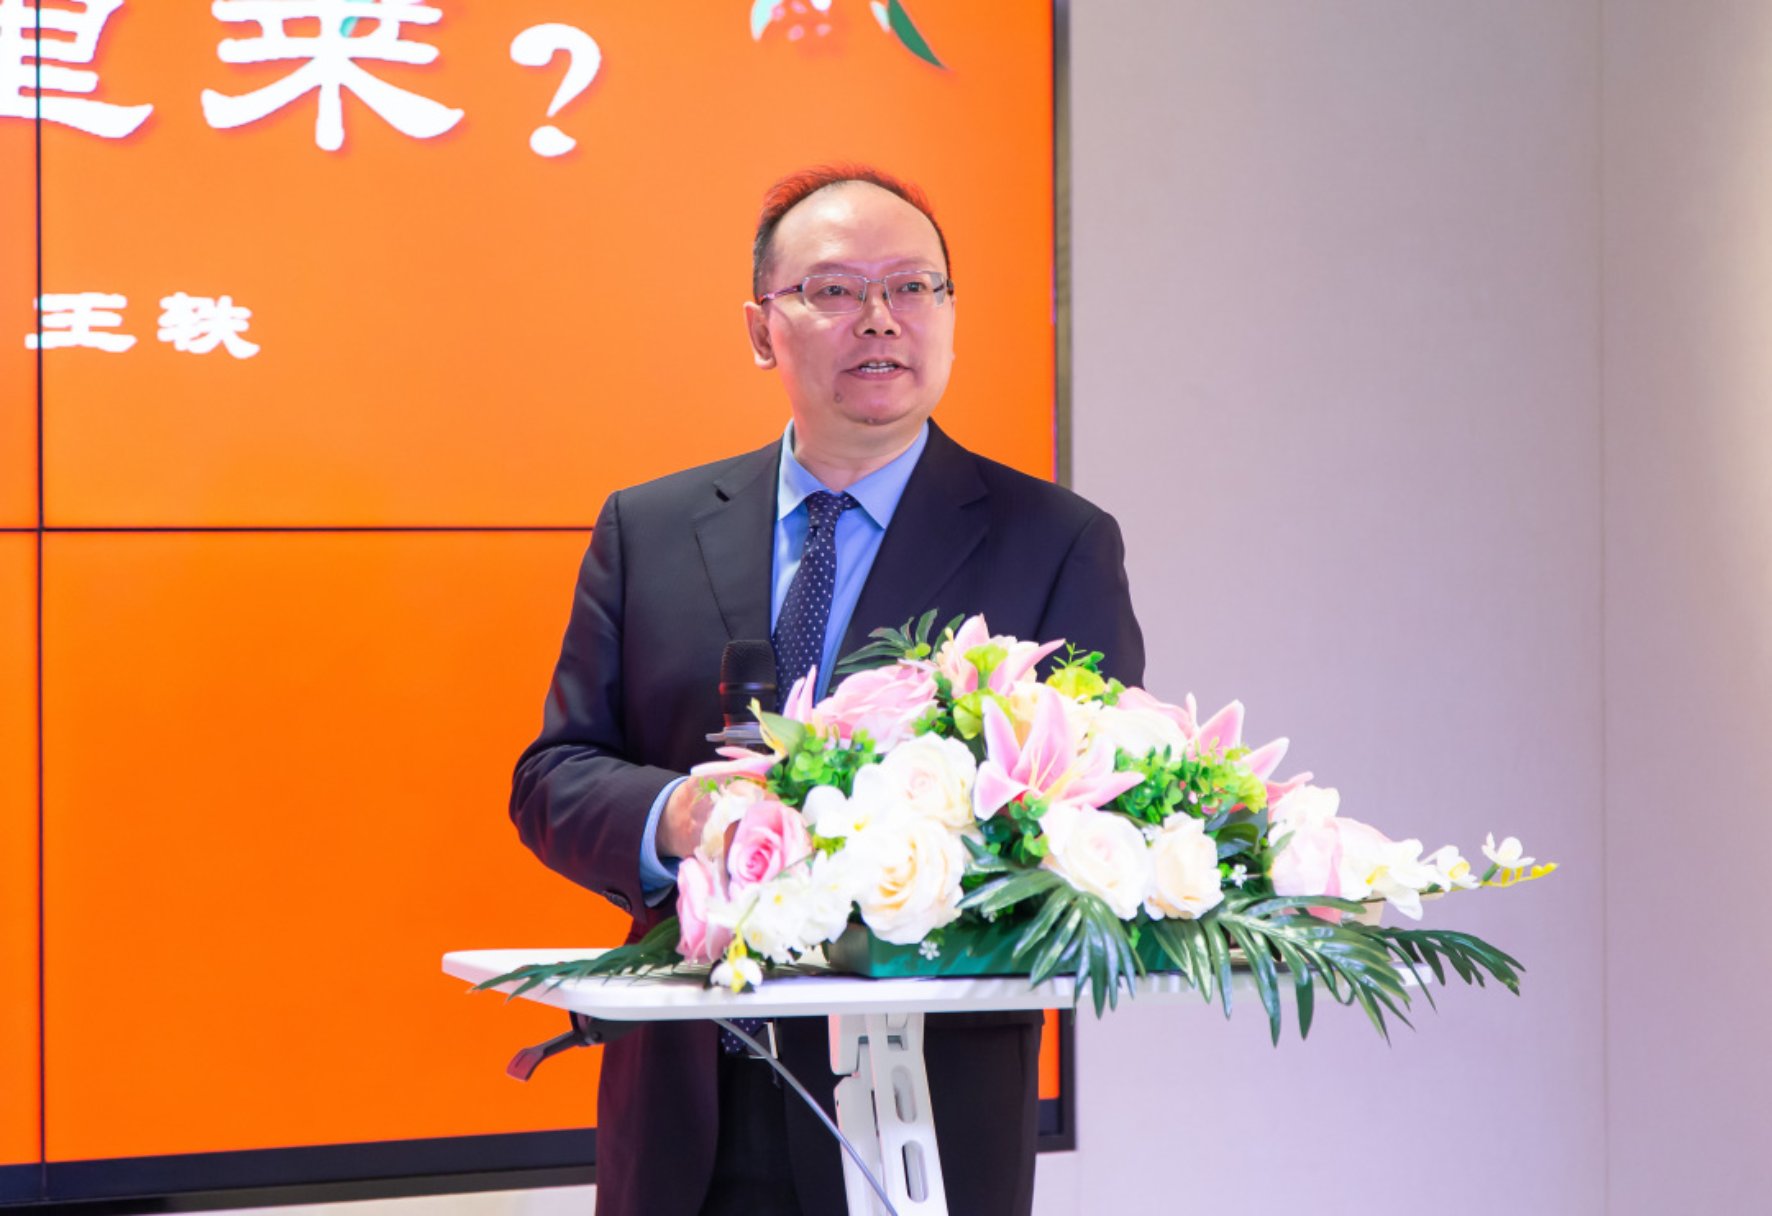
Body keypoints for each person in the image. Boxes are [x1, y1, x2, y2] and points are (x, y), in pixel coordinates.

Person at [510, 165, 1144, 1216]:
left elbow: (1090, 809)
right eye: (834, 290)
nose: (879, 318)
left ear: (950, 316)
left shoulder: (1053, 542)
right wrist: (682, 816)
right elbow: (555, 775)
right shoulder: (649, 529)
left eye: (913, 286)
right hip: (683, 1110)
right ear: (761, 329)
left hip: (923, 1116)